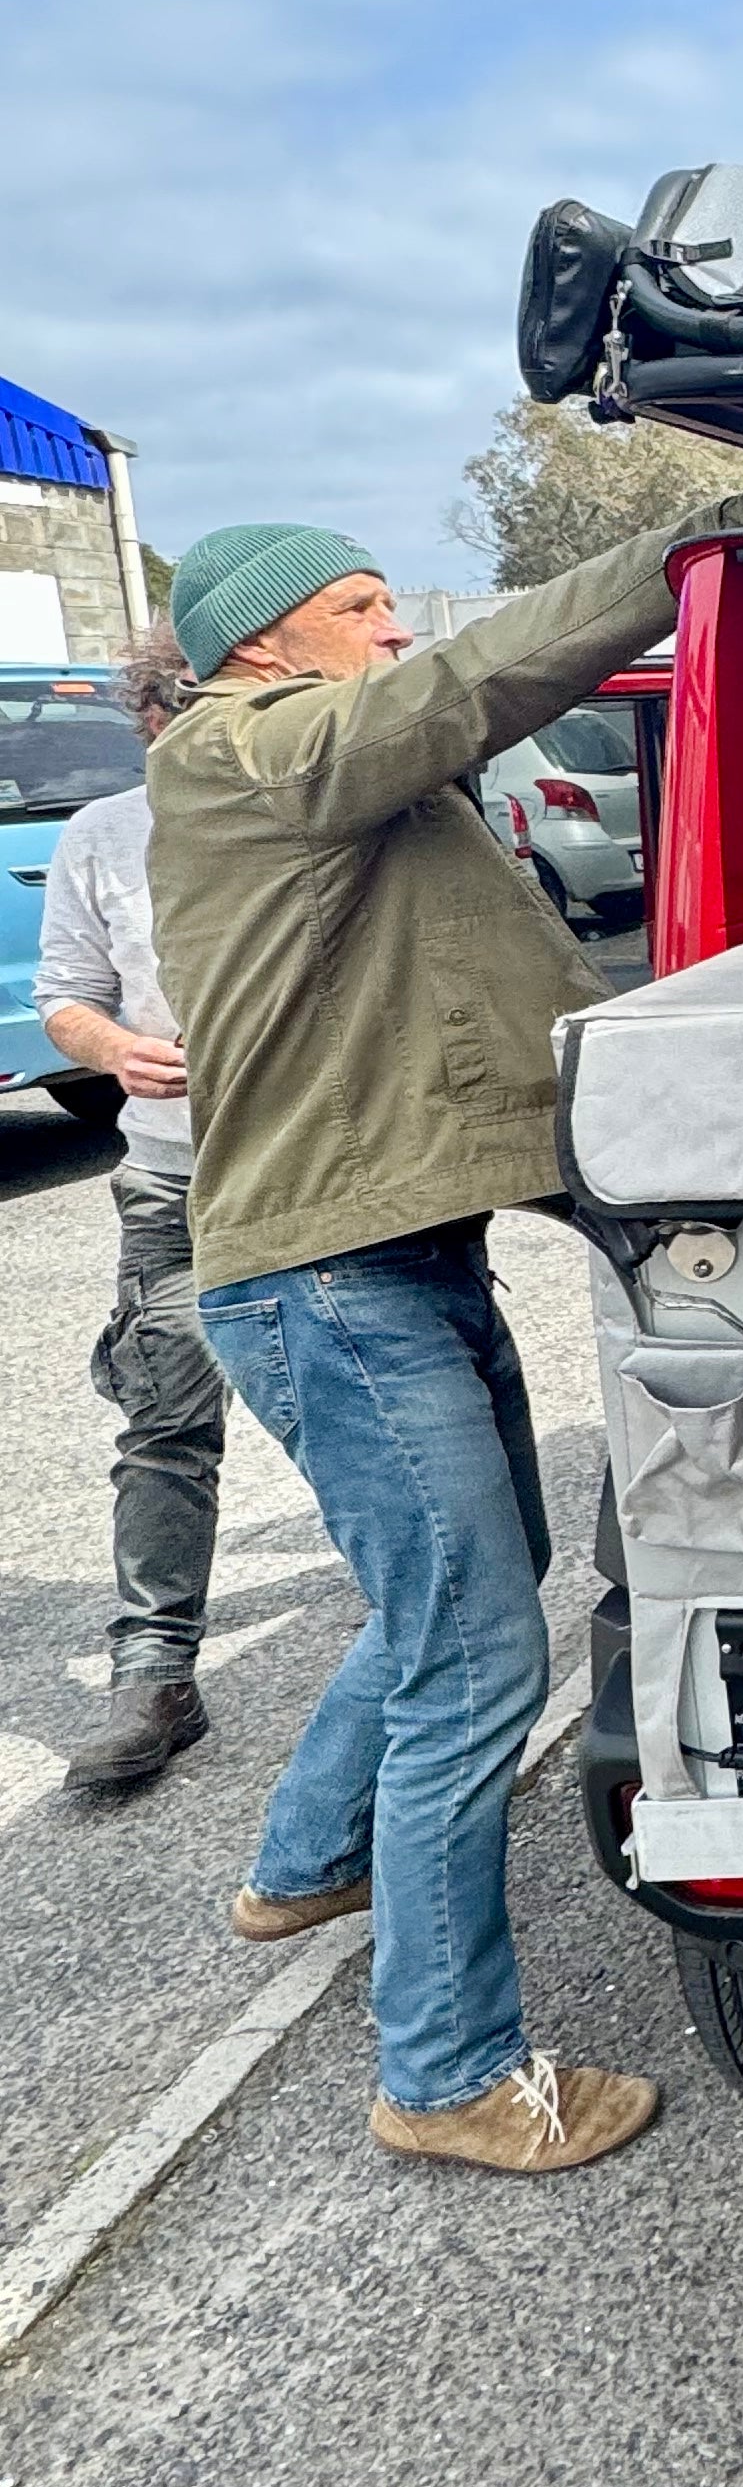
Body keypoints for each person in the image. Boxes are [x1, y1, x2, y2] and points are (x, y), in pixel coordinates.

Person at [147, 471, 743, 2178]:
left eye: (388, 604)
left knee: (451, 1597)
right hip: (331, 1284)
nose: (393, 630)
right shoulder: (238, 750)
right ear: (261, 644)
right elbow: (465, 685)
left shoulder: (341, 789)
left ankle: (302, 1865)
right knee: (476, 1658)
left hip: (391, 1263)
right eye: (359, 607)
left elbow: (494, 1015)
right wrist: (703, 544)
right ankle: (444, 2074)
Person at [37, 624, 233, 1792]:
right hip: (174, 1172)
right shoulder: (103, 833)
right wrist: (113, 1048)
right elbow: (66, 997)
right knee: (164, 1417)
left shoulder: (317, 806)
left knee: (369, 1421)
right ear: (152, 717)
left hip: (325, 1172)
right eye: (186, 708)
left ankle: (426, 1655)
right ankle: (155, 1674)